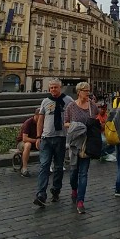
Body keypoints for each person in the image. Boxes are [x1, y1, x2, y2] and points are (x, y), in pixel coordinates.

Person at [33, 78, 74, 208]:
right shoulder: (45, 101)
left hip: (60, 138)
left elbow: (74, 114)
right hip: (46, 138)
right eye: (51, 88)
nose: (53, 90)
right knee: (44, 165)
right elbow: (40, 120)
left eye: (55, 87)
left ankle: (56, 189)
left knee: (58, 166)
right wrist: (38, 136)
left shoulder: (68, 100)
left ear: (60, 87)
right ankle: (41, 194)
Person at [66, 82, 99, 214]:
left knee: (83, 174)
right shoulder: (71, 106)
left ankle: (81, 201)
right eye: (85, 91)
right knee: (73, 172)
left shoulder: (92, 106)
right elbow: (65, 123)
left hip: (87, 143)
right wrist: (77, 126)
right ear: (79, 91)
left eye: (88, 90)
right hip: (75, 143)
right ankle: (74, 189)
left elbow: (97, 120)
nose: (88, 93)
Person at [17, 110, 39, 178]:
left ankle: (48, 166)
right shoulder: (28, 122)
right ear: (36, 115)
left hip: (35, 142)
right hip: (22, 142)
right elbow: (25, 139)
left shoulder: (42, 123)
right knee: (27, 144)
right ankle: (24, 168)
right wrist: (37, 140)